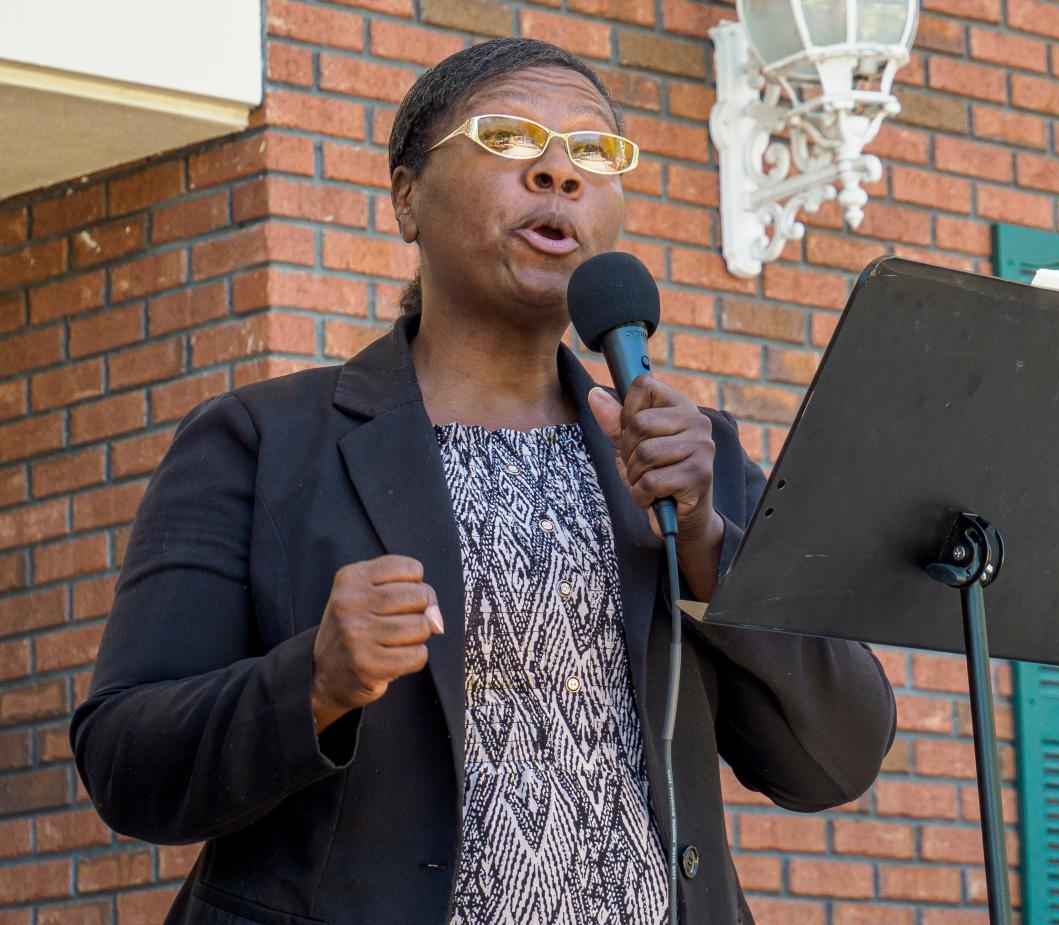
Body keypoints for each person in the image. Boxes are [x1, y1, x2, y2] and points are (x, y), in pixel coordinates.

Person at [71, 37, 896, 925]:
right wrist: (312, 682)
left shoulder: (687, 461)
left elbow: (837, 757)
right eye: (507, 138)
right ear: (405, 199)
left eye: (592, 151)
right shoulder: (260, 443)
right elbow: (126, 761)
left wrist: (705, 545)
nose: (558, 172)